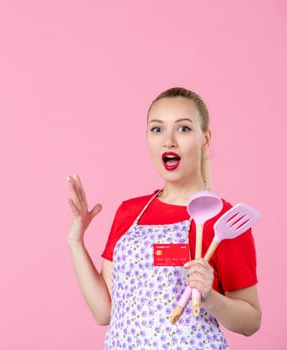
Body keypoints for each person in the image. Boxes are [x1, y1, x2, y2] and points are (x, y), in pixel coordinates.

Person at [67, 87, 261, 349]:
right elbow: (104, 312)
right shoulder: (129, 212)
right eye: (157, 129)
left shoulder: (223, 220)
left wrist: (210, 297)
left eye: (183, 129)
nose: (168, 140)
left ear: (205, 138)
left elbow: (251, 321)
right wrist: (76, 241)